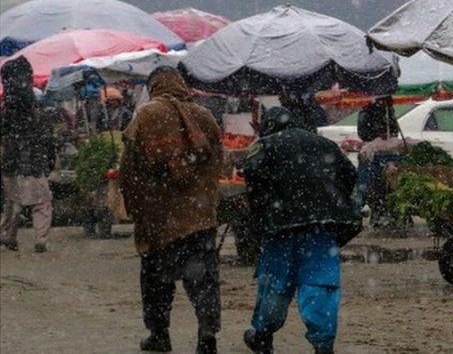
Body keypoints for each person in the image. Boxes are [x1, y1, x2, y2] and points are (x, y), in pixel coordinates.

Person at [118, 67, 224, 354]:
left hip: (159, 217)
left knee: (156, 281)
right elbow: (219, 163)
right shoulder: (204, 116)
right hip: (198, 215)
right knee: (203, 280)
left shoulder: (146, 115)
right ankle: (206, 336)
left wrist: (135, 205)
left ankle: (159, 334)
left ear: (154, 87)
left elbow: (129, 168)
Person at [242, 106, 361, 354]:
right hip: (322, 227)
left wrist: (264, 210)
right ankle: (323, 344)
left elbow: (252, 178)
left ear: (269, 126)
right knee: (320, 283)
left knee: (275, 282)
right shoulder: (324, 144)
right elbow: (350, 174)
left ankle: (263, 335)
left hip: (281, 227)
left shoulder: (265, 145)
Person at [0, 56, 56, 253]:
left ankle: (8, 235)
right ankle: (40, 239)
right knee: (41, 203)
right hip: (34, 163)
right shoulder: (37, 112)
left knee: (13, 201)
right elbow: (48, 139)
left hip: (11, 162)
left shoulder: (6, 110)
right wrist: (50, 159)